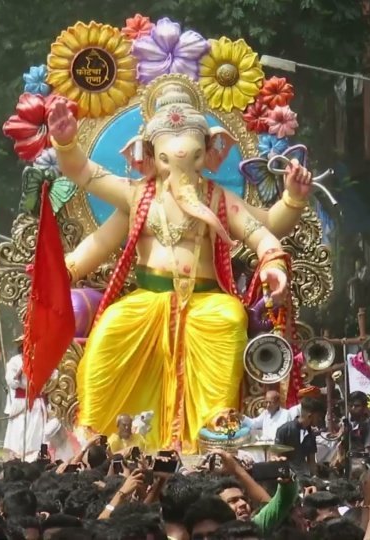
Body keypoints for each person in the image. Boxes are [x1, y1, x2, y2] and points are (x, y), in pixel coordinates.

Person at [50, 80, 314, 452]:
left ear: (208, 154)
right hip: (147, 298)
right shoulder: (136, 195)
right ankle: (95, 436)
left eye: (192, 160)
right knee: (110, 329)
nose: (181, 174)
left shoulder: (220, 200)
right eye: (168, 162)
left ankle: (217, 435)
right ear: (149, 156)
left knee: (229, 319)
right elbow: (84, 175)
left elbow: (265, 230)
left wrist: (279, 247)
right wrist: (65, 143)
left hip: (206, 303)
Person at [2, 338, 49, 462]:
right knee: (19, 432)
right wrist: (21, 370)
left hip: (37, 402)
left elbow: (52, 376)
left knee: (37, 434)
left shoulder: (41, 360)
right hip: (21, 402)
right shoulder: (14, 361)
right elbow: (12, 383)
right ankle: (18, 459)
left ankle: (34, 457)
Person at [275, 397, 325, 475]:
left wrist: (315, 479)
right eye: (318, 416)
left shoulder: (311, 434)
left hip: (305, 476)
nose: (320, 419)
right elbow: (277, 457)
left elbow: (311, 461)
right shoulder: (284, 430)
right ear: (310, 415)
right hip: (288, 477)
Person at [345, 391, 370, 457]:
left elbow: (368, 450)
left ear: (364, 407)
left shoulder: (369, 424)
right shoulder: (347, 423)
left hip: (360, 462)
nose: (353, 408)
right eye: (351, 405)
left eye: (357, 406)